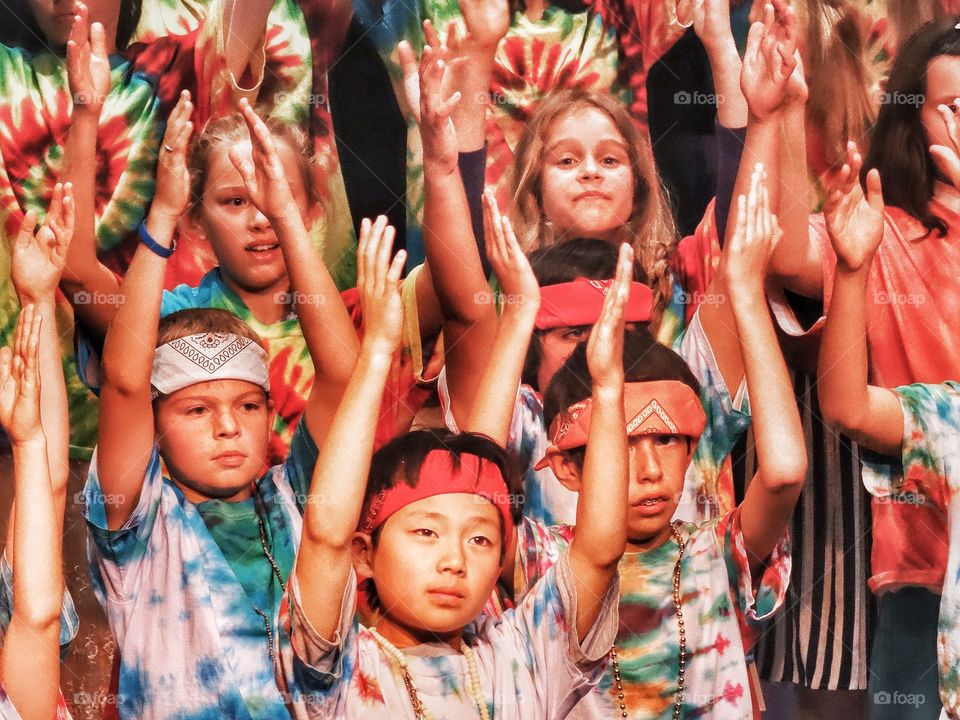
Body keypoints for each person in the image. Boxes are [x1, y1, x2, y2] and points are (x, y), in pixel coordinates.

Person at [274, 198, 627, 719]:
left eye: (481, 540)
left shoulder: (522, 654)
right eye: (425, 533)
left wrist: (609, 387)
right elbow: (325, 535)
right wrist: (375, 354)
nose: (454, 561)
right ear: (364, 553)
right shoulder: (336, 667)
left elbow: (598, 550)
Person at [79, 92, 368, 719]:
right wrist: (160, 212)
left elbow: (342, 377)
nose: (229, 427)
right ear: (153, 429)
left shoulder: (295, 497)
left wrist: (288, 217)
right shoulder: (139, 523)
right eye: (196, 411)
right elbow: (128, 383)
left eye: (247, 405)